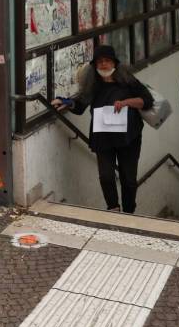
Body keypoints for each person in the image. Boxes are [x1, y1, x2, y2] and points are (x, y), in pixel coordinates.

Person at [53, 45, 153, 214]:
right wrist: (67, 102)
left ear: (114, 63)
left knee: (128, 179)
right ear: (95, 65)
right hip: (103, 137)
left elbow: (147, 100)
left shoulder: (128, 81)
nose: (104, 65)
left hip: (129, 137)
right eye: (100, 62)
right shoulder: (93, 84)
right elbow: (80, 106)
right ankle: (113, 209)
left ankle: (129, 212)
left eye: (107, 61)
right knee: (106, 176)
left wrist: (126, 102)